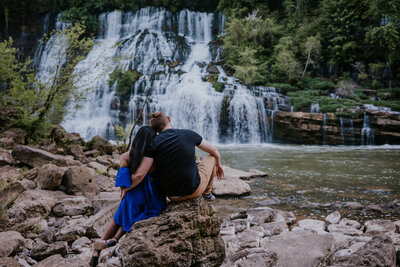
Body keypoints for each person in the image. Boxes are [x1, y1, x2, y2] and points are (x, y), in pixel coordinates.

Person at [90, 126, 166, 267]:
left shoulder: (126, 156)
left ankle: (97, 250)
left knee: (120, 215)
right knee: (128, 214)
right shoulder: (155, 157)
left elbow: (123, 182)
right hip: (154, 197)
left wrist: (125, 190)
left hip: (134, 194)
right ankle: (116, 238)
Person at [121, 111, 224, 203]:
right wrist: (218, 165)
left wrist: (126, 188)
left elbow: (139, 174)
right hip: (193, 191)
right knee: (212, 157)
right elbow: (213, 150)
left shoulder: (153, 143)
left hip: (171, 196)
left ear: (155, 129)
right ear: (169, 119)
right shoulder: (188, 134)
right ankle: (207, 194)